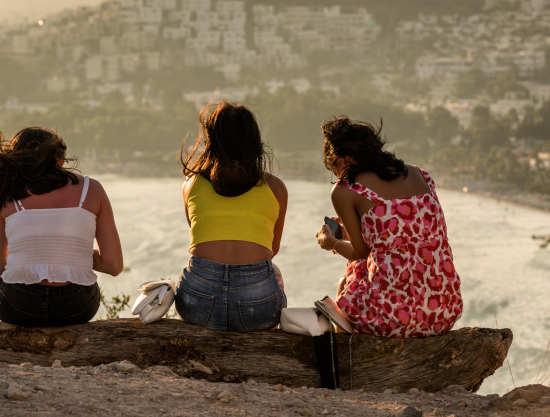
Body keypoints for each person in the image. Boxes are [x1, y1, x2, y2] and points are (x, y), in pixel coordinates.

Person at [315, 116, 462, 338]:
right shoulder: (420, 175)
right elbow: (409, 234)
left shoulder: (345, 190)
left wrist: (332, 243)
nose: (338, 176)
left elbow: (360, 253)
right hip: (444, 310)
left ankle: (344, 356)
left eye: (335, 169)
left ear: (343, 160)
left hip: (395, 318)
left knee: (348, 280)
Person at [0, 127, 123, 327]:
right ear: (61, 158)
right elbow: (113, 265)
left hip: (19, 306)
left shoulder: (5, 194)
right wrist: (70, 253)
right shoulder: (92, 190)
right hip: (76, 307)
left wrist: (40, 253)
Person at [175, 102, 288, 331]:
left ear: (211, 143)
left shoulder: (191, 184)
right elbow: (271, 248)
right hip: (256, 307)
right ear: (255, 143)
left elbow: (197, 237)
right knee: (274, 271)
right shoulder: (276, 188)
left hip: (198, 301)